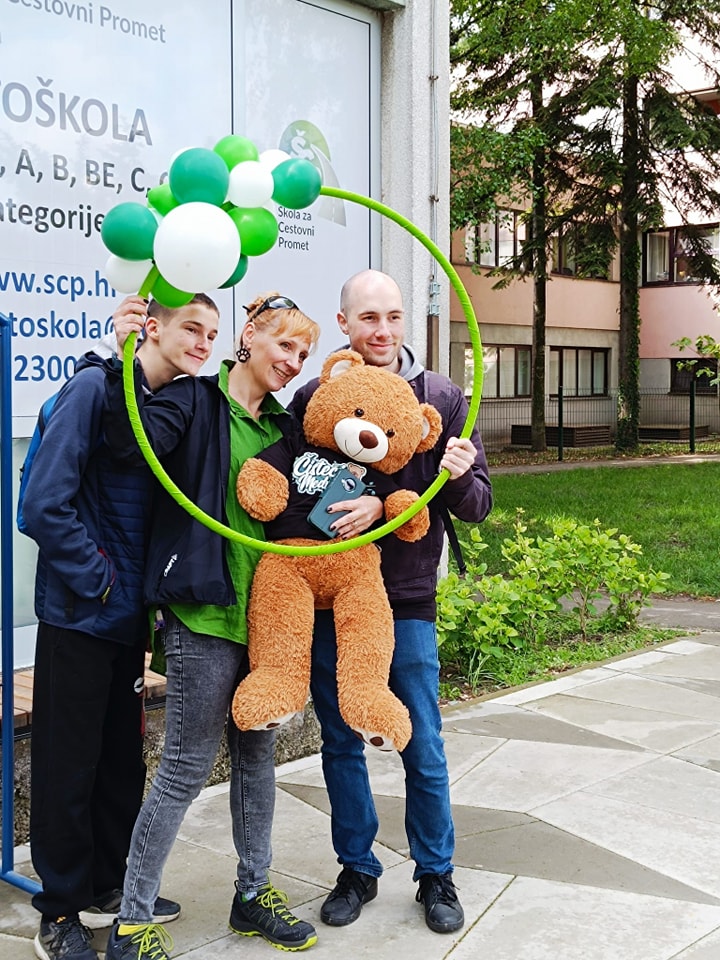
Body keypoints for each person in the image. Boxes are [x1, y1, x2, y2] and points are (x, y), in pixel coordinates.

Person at [102, 294, 322, 960]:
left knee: (257, 760)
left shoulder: (286, 427)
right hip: (202, 612)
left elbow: (317, 499)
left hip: (267, 618)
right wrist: (126, 357)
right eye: (285, 345)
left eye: (304, 354)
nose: (294, 362)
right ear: (250, 335)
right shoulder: (195, 400)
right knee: (185, 767)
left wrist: (369, 504)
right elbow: (129, 443)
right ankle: (131, 923)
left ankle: (252, 894)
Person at [290, 269, 492, 934]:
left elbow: (477, 505)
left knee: (421, 741)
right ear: (344, 323)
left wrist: (452, 479)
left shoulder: (442, 397)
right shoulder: (317, 395)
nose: (382, 331)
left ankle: (436, 872)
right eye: (369, 318)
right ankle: (357, 867)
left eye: (393, 317)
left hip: (404, 598)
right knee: (341, 740)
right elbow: (297, 489)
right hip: (332, 597)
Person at [23, 293, 220, 960]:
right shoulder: (92, 389)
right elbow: (42, 505)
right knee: (67, 767)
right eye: (191, 327)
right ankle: (58, 911)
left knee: (118, 765)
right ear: (151, 326)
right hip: (80, 615)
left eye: (212, 332)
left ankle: (110, 885)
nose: (203, 342)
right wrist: (100, 579)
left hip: (127, 618)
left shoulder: (168, 406)